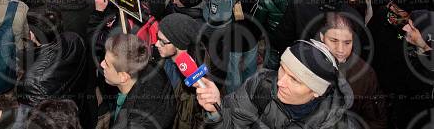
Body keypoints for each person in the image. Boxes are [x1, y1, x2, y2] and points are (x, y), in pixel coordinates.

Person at [195, 40, 355, 128]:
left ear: (317, 92)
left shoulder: (337, 124)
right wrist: (216, 111)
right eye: (282, 69)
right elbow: (231, 123)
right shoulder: (261, 84)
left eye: (295, 79)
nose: (280, 82)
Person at [319, 13, 388, 129]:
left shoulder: (365, 73)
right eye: (334, 41)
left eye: (347, 42)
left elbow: (376, 119)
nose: (340, 50)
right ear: (322, 37)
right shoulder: (305, 60)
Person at [101, 33, 176, 129]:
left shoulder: (130, 124)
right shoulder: (153, 68)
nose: (102, 64)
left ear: (123, 77)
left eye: (107, 64)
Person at [156, 13, 206, 129]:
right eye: (157, 38)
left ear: (179, 44)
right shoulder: (164, 59)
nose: (156, 44)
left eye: (162, 41)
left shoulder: (195, 77)